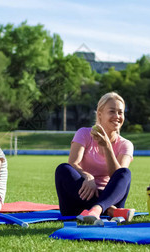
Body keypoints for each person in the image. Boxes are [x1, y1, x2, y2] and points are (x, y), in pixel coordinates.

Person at [55, 92, 134, 223]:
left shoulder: (126, 145)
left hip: (109, 197)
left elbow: (118, 175)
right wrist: (88, 176)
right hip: (79, 197)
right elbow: (73, 163)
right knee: (63, 169)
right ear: (100, 114)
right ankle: (110, 211)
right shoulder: (84, 134)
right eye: (112, 111)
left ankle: (97, 209)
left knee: (125, 172)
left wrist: (107, 147)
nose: (117, 116)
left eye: (120, 112)